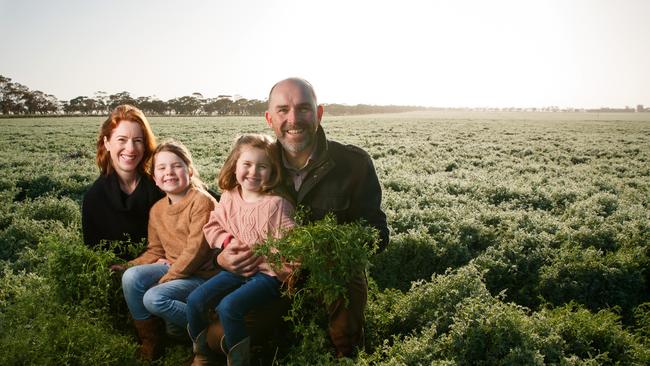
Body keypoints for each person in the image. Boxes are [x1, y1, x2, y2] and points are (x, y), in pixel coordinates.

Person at [212, 77, 389, 359]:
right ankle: (283, 329)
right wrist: (220, 255)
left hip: (331, 275)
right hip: (272, 278)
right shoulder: (259, 164)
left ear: (319, 113)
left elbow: (376, 232)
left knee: (345, 330)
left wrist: (329, 251)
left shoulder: (353, 163)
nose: (293, 119)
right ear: (270, 118)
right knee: (215, 339)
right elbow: (225, 215)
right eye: (283, 110)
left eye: (304, 108)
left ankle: (347, 347)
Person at [186, 133, 295, 365]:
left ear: (273, 170)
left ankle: (240, 360)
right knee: (195, 300)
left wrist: (275, 265)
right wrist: (226, 242)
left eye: (262, 166)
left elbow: (294, 246)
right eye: (247, 164)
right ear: (235, 166)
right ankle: (201, 353)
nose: (253, 172)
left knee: (228, 307)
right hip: (234, 270)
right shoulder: (229, 197)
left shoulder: (277, 205)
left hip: (267, 276)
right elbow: (212, 225)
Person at [121, 139, 218, 360]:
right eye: (162, 168)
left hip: (203, 274)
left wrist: (166, 279)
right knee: (131, 277)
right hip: (176, 270)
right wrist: (128, 265)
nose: (169, 172)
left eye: (176, 166)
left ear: (190, 170)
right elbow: (155, 250)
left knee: (154, 298)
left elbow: (197, 252)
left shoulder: (202, 202)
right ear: (155, 179)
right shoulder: (157, 210)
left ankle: (211, 332)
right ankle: (152, 340)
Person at [82, 104, 164, 260]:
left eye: (138, 140)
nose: (131, 149)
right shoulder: (94, 198)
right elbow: (94, 253)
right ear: (107, 143)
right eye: (122, 140)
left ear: (145, 145)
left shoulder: (161, 184)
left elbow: (202, 198)